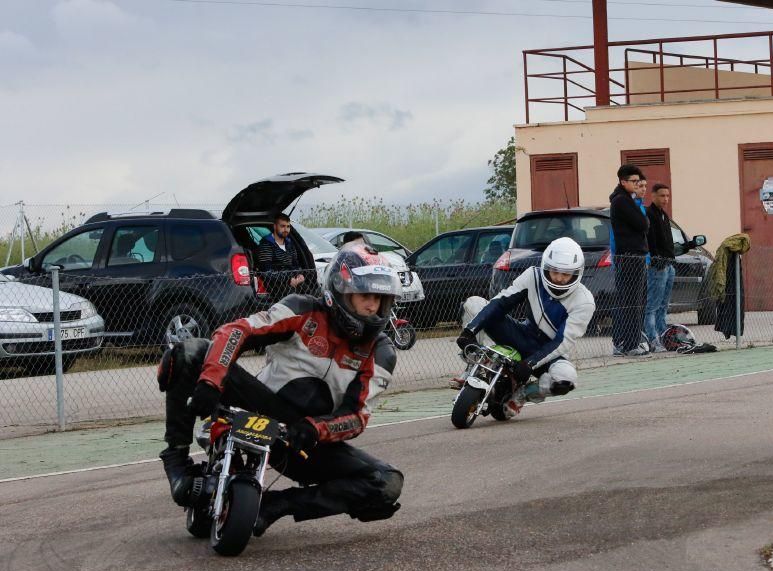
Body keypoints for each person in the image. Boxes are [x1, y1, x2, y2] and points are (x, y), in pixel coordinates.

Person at [157, 244, 404, 536]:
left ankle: (274, 506)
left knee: (386, 482)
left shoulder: (382, 351)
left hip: (306, 440)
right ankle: (177, 460)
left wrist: (314, 430)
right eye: (365, 296)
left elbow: (356, 416)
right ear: (340, 292)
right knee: (188, 352)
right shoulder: (302, 309)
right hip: (261, 407)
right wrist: (212, 380)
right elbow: (237, 330)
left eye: (379, 297)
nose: (372, 306)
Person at [455, 237, 595, 417]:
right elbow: (502, 302)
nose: (559, 278)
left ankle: (520, 396)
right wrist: (469, 331)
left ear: (577, 273)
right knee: (474, 304)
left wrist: (530, 363)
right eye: (554, 271)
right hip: (522, 334)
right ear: (546, 266)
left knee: (566, 378)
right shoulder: (533, 275)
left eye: (565, 274)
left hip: (548, 352)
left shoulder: (585, 302)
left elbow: (562, 341)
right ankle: (475, 365)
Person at [610, 165, 650, 357]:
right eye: (633, 181)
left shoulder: (628, 200)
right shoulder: (621, 201)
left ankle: (631, 341)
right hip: (629, 257)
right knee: (630, 302)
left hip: (636, 256)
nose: (637, 184)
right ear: (623, 182)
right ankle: (628, 343)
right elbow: (643, 223)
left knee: (637, 301)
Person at [644, 183, 676, 353]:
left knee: (664, 304)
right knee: (653, 305)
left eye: (667, 196)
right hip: (657, 266)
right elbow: (651, 241)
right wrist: (657, 260)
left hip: (669, 265)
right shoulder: (649, 214)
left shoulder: (664, 215)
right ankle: (652, 339)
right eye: (662, 196)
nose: (665, 199)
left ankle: (663, 335)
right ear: (653, 196)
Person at [256, 212, 316, 299]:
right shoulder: (266, 244)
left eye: (288, 226)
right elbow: (266, 272)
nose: (286, 229)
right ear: (275, 226)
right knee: (292, 300)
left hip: (293, 281)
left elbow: (295, 264)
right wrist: (287, 280)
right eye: (282, 226)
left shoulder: (289, 244)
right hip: (275, 284)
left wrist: (300, 275)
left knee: (310, 296)